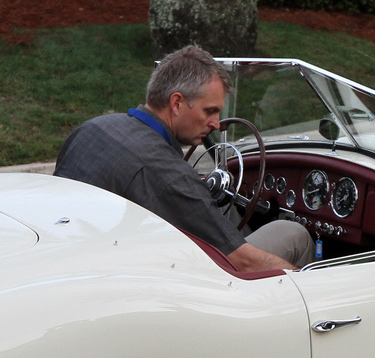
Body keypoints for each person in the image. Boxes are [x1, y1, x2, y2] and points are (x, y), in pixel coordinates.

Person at [54, 45, 313, 272]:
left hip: (84, 254)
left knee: (227, 209)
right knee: (294, 234)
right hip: (164, 277)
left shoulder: (91, 128)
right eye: (209, 111)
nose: (216, 123)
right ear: (176, 103)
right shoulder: (171, 177)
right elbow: (241, 261)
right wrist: (307, 281)